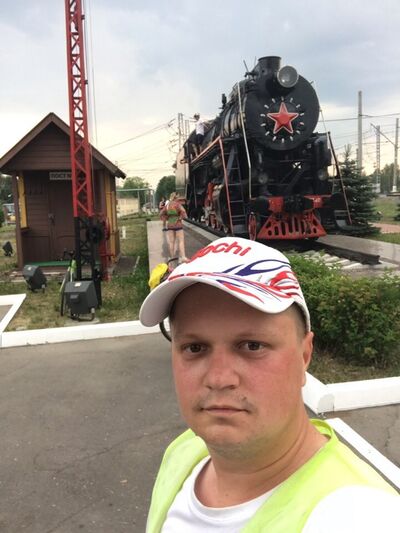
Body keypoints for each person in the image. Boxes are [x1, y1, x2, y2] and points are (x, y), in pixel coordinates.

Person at [139, 236, 399, 532]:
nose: (219, 379)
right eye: (195, 348)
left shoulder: (362, 515)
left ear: (304, 356)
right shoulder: (183, 451)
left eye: (252, 346)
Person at [159, 192, 188, 263]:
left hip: (170, 225)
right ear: (176, 197)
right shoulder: (178, 204)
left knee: (171, 242)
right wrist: (181, 218)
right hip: (178, 225)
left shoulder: (168, 205)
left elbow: (161, 213)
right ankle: (183, 257)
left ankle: (172, 257)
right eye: (178, 197)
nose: (179, 198)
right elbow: (183, 211)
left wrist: (166, 218)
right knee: (181, 241)